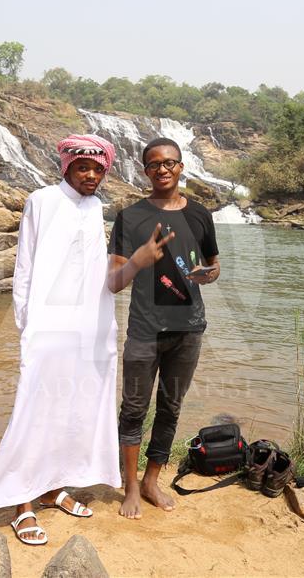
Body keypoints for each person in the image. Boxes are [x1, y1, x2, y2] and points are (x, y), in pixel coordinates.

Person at [0, 134, 121, 546]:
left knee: (72, 407)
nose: (92, 174)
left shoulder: (95, 209)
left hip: (87, 329)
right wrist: (28, 324)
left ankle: (52, 486)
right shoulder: (41, 200)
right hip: (45, 326)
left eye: (98, 168)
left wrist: (104, 329)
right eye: (83, 167)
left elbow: (95, 274)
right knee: (34, 409)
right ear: (67, 167)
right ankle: (21, 504)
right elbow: (25, 266)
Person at [106, 137, 221, 519]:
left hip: (189, 330)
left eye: (169, 163)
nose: (162, 170)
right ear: (145, 171)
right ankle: (131, 487)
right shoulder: (131, 217)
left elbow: (214, 265)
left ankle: (153, 480)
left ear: (181, 166)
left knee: (171, 408)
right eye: (154, 165)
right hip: (144, 331)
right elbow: (113, 282)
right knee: (133, 410)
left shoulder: (201, 215)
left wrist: (208, 275)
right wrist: (138, 260)